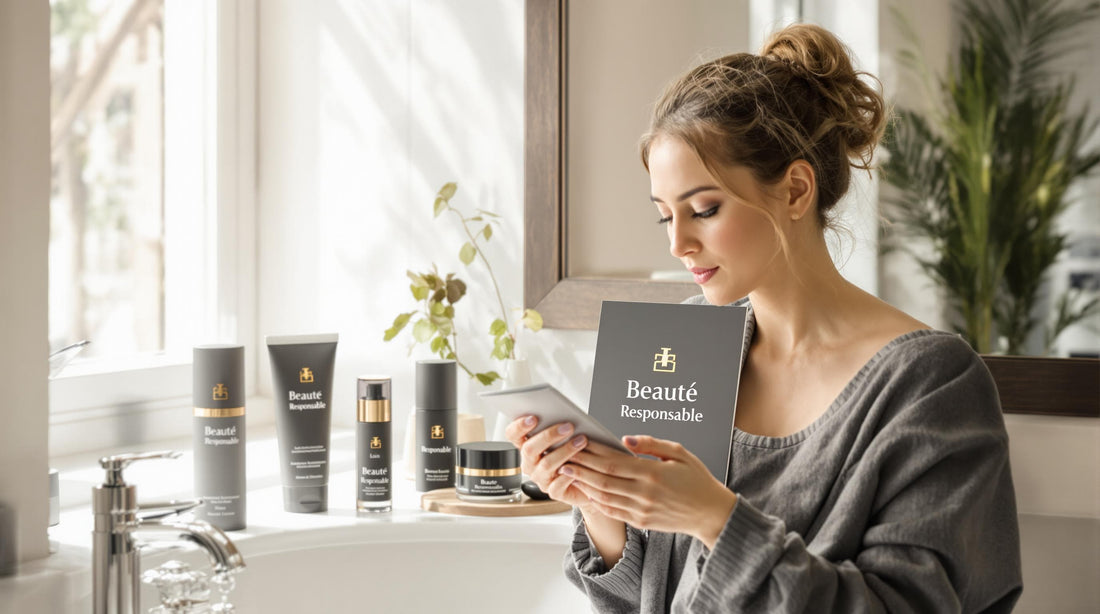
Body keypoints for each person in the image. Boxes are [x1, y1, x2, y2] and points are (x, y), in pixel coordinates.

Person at [506, 23, 1022, 613]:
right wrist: (599, 500)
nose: (678, 244)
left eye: (704, 209)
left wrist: (714, 517)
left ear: (797, 190)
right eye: (664, 217)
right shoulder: (684, 339)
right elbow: (640, 600)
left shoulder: (930, 385)